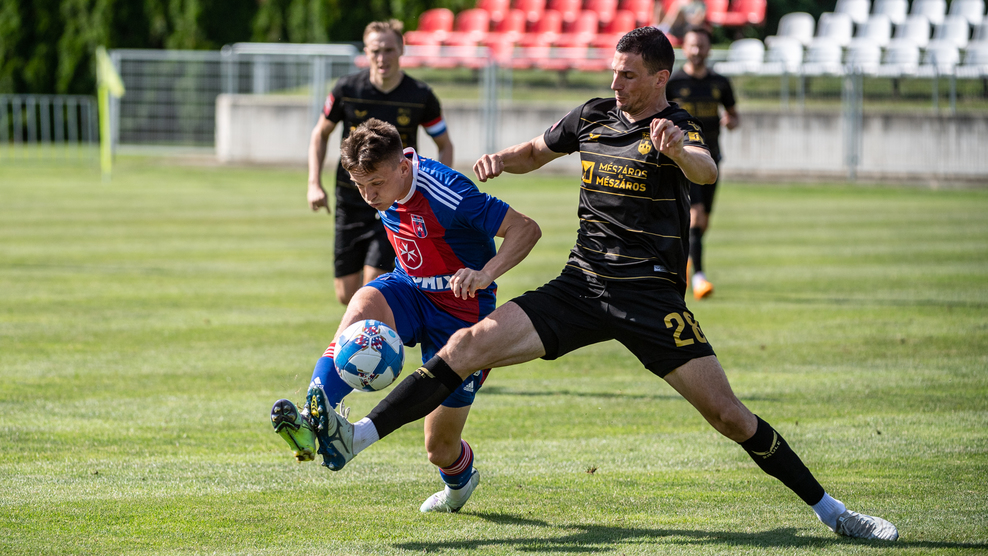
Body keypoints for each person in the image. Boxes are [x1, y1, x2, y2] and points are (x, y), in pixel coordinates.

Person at [303, 28, 899, 541]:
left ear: (660, 78)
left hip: (649, 298)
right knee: (465, 347)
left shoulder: (675, 127)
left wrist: (679, 151)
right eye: (613, 72)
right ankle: (356, 437)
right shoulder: (593, 115)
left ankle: (835, 513)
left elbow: (706, 169)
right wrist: (501, 160)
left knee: (729, 416)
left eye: (628, 76)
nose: (616, 84)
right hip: (581, 285)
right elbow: (537, 150)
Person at [272, 118, 540, 513]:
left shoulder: (448, 192)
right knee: (363, 302)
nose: (368, 196)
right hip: (410, 289)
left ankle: (459, 484)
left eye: (375, 184)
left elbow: (526, 229)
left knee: (439, 447)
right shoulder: (385, 184)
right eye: (360, 186)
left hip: (463, 313)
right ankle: (315, 417)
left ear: (402, 167)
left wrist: (486, 274)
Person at [308, 19, 455, 305]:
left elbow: (445, 145)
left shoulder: (420, 96)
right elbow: (320, 133)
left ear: (401, 49)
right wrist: (314, 183)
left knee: (373, 288)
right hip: (351, 200)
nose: (382, 57)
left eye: (389, 50)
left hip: (395, 202)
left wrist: (435, 191)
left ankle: (378, 333)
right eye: (376, 51)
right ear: (366, 52)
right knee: (346, 294)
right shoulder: (347, 88)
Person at [666, 26, 739, 300]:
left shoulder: (720, 83)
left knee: (703, 221)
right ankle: (698, 277)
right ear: (684, 48)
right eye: (692, 45)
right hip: (684, 159)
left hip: (712, 158)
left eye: (702, 46)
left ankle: (687, 260)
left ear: (709, 49)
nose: (697, 51)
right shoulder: (672, 83)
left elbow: (734, 115)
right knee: (695, 215)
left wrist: (731, 121)